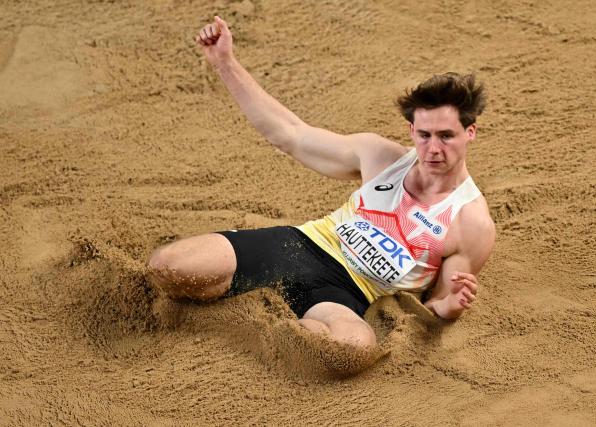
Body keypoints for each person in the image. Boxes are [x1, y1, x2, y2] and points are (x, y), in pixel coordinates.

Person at [147, 16, 495, 350]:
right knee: (169, 267)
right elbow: (291, 134)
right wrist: (225, 63)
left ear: (470, 133)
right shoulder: (379, 156)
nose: (433, 149)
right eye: (425, 135)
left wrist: (450, 308)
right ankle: (253, 294)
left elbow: (431, 309)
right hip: (299, 248)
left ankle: (265, 319)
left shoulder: (472, 223)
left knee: (352, 347)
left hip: (347, 292)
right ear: (411, 131)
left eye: (446, 136)